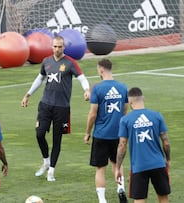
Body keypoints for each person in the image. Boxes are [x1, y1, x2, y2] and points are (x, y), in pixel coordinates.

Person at [21, 35, 90, 181]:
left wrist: (86, 90)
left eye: (60, 46)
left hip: (62, 108)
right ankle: (46, 161)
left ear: (64, 47)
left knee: (56, 139)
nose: (57, 49)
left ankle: (51, 170)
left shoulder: (70, 63)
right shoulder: (46, 61)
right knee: (39, 134)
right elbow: (40, 78)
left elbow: (82, 77)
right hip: (45, 105)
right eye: (55, 46)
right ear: (51, 47)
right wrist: (28, 94)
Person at [84, 59, 128, 203]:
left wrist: (87, 132)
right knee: (117, 164)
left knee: (100, 168)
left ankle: (102, 200)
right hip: (118, 134)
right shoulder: (122, 88)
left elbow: (92, 114)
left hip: (101, 134)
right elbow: (125, 111)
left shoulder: (97, 89)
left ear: (101, 70)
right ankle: (120, 189)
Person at [116, 87, 171, 203]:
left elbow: (122, 145)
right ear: (143, 98)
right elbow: (166, 142)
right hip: (158, 163)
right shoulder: (157, 116)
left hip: (139, 166)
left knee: (140, 200)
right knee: (163, 198)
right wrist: (168, 159)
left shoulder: (125, 120)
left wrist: (118, 168)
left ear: (130, 101)